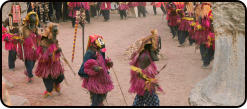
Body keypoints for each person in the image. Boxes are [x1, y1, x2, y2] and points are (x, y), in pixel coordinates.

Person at [129, 30, 163, 106]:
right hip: (145, 85)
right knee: (154, 103)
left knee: (139, 101)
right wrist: (150, 80)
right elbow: (138, 72)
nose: (157, 48)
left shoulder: (146, 54)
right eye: (156, 45)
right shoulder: (145, 56)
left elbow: (145, 70)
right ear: (151, 46)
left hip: (143, 84)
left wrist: (153, 72)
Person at [78, 35, 114, 106]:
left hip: (103, 79)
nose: (101, 44)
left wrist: (108, 63)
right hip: (95, 81)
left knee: (101, 97)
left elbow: (102, 61)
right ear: (93, 43)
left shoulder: (101, 51)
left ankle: (99, 104)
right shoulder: (90, 52)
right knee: (96, 100)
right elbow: (85, 66)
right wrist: (94, 67)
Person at [35, 23, 64, 98]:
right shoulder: (44, 43)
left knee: (61, 77)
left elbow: (55, 49)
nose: (55, 36)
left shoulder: (54, 40)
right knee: (48, 80)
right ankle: (48, 91)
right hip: (46, 66)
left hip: (55, 64)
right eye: (54, 34)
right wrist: (53, 53)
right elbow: (44, 57)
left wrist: (58, 50)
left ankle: (55, 84)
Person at [18, 12, 41, 83]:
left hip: (35, 48)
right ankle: (29, 75)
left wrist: (39, 35)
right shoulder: (24, 28)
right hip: (27, 49)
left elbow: (39, 37)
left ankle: (28, 71)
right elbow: (23, 37)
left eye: (34, 22)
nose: (33, 24)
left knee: (33, 62)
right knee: (29, 62)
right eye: (32, 22)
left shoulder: (36, 28)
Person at [2, 3, 21, 71]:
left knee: (15, 52)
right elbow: (3, 28)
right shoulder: (8, 19)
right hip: (11, 39)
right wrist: (5, 37)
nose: (16, 12)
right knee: (12, 52)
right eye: (14, 11)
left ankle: (13, 60)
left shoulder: (20, 19)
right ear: (12, 11)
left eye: (17, 11)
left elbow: (22, 28)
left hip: (18, 38)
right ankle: (11, 66)